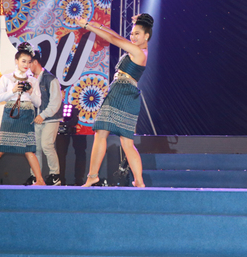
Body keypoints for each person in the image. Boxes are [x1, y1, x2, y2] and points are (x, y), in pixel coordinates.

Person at [77, 14, 152, 187]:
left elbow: (113, 39)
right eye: (132, 34)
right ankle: (138, 181)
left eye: (137, 34)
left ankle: (93, 176)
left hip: (122, 92)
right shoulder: (137, 49)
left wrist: (88, 26)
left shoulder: (139, 52)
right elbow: (115, 35)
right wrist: (94, 24)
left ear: (146, 36)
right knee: (124, 141)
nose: (132, 37)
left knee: (105, 135)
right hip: (123, 92)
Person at [0, 43, 44, 185]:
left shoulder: (33, 81)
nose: (26, 65)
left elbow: (38, 103)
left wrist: (31, 93)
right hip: (11, 115)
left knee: (29, 149)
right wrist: (12, 91)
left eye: (29, 62)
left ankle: (40, 180)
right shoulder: (6, 78)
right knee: (1, 147)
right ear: (16, 61)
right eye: (23, 61)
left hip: (27, 116)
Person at [24, 50, 63, 186]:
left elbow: (56, 102)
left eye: (29, 62)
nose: (27, 66)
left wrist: (43, 115)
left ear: (35, 62)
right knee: (36, 148)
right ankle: (36, 176)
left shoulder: (50, 79)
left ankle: (55, 175)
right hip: (36, 119)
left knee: (47, 145)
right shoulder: (30, 80)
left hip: (50, 118)